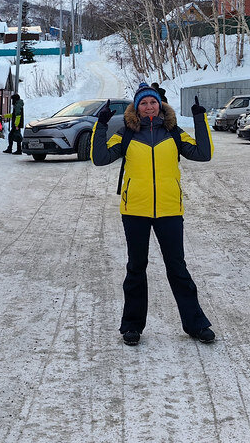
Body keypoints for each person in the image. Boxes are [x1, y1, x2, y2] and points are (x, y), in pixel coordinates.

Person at [91, 82, 215, 346]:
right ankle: (132, 327)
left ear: (160, 105)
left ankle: (196, 324)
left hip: (169, 210)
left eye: (153, 102)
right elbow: (100, 158)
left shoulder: (173, 133)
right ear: (137, 108)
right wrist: (100, 125)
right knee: (136, 267)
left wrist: (199, 118)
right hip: (135, 210)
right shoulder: (125, 134)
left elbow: (203, 154)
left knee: (177, 267)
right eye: (144, 103)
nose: (149, 107)